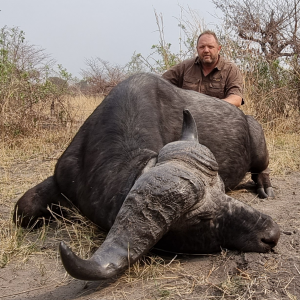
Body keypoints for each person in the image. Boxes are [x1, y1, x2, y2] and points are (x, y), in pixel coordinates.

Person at [162, 30, 244, 107]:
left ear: (219, 49)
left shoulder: (230, 69)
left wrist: (210, 107)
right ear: (197, 48)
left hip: (218, 118)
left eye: (210, 47)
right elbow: (159, 84)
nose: (206, 50)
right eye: (202, 47)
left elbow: (236, 99)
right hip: (188, 118)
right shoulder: (184, 67)